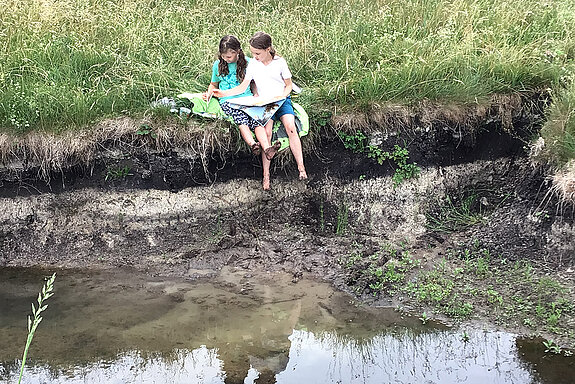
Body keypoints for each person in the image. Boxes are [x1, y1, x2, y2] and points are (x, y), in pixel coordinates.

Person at [213, 31, 308, 187]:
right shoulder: (253, 64)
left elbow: (289, 85)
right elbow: (243, 86)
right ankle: (266, 176)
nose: (255, 56)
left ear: (267, 49)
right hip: (264, 103)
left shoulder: (279, 62)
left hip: (281, 100)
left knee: (291, 127)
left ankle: (301, 168)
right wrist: (222, 93)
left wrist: (282, 97)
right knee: (267, 132)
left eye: (257, 53)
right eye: (253, 53)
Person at [204, 35, 280, 190]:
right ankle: (253, 144)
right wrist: (209, 93)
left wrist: (256, 94)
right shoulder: (218, 65)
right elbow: (213, 84)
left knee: (257, 120)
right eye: (224, 57)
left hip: (247, 99)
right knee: (241, 120)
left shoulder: (249, 63)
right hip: (228, 100)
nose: (227, 59)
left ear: (238, 52)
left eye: (230, 56)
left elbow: (254, 82)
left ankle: (267, 148)